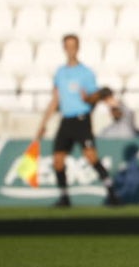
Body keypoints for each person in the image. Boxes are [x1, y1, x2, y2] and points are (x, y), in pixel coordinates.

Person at [35, 34, 117, 207]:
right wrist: (43, 124)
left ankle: (112, 192)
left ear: (78, 48)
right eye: (68, 46)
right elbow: (55, 99)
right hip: (66, 120)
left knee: (91, 157)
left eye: (73, 46)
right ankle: (64, 197)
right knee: (58, 160)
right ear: (64, 48)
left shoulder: (86, 73)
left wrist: (90, 98)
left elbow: (94, 97)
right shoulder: (60, 73)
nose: (70, 49)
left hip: (81, 119)